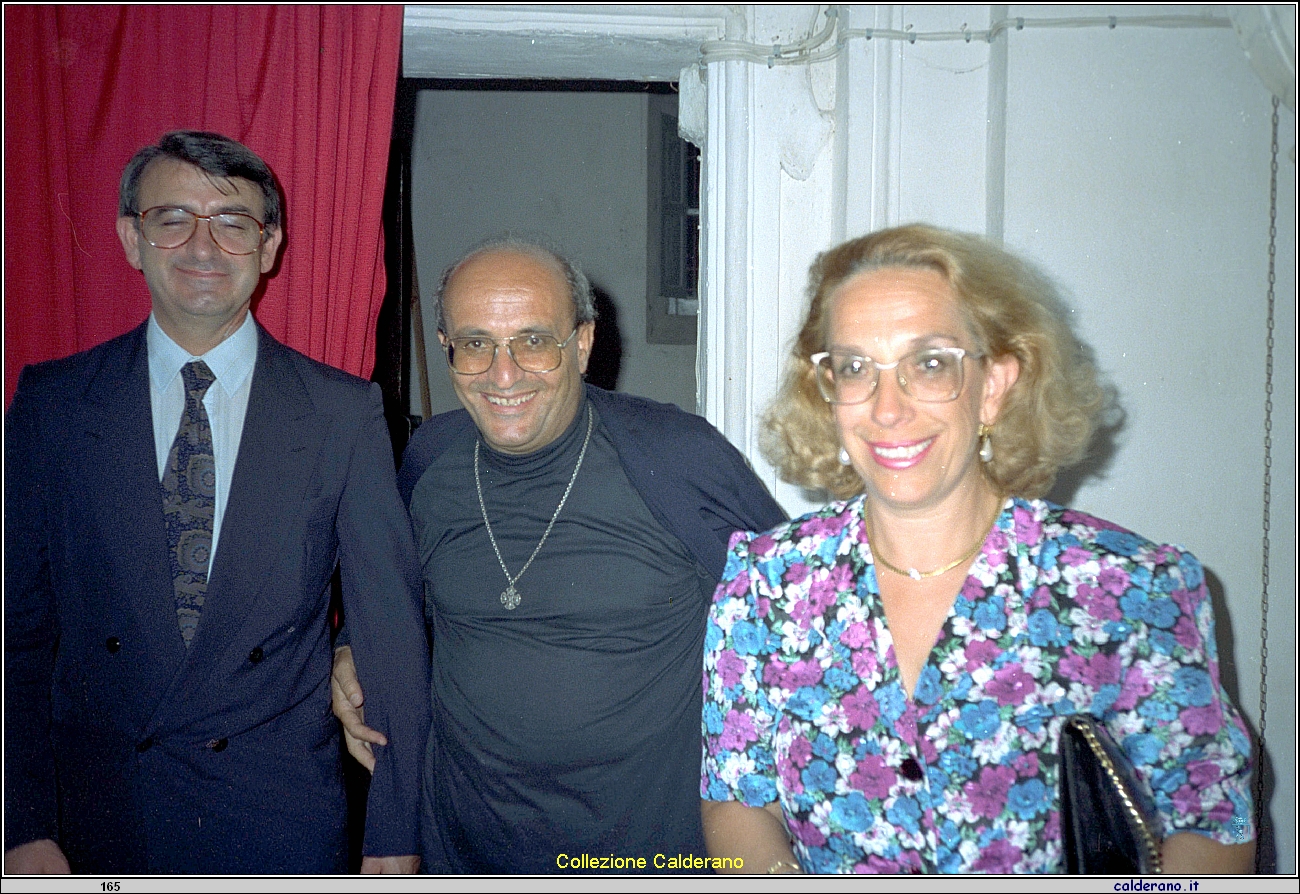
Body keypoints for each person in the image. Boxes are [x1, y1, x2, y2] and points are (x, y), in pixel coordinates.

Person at [699, 224, 1256, 874]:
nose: (886, 408)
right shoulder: (765, 586)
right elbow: (737, 800)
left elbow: (1210, 824)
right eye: (854, 368)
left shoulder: (1127, 587)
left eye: (929, 364)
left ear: (993, 384)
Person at [4, 131, 429, 874]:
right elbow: (16, 634)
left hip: (275, 818)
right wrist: (20, 820)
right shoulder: (54, 405)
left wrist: (394, 833)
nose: (203, 246)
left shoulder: (342, 413)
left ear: (268, 249)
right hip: (95, 819)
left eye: (232, 223)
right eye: (173, 219)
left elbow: (387, 631)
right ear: (131, 239)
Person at [331, 237, 787, 873]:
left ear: (582, 344)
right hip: (468, 851)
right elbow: (398, 592)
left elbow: (797, 614)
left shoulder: (677, 458)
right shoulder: (429, 461)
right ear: (446, 349)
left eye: (533, 341)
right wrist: (353, 647)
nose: (504, 373)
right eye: (476, 343)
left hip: (647, 857)